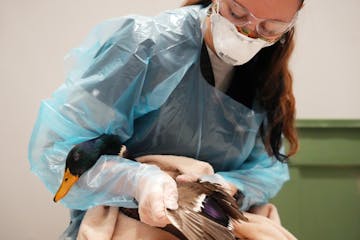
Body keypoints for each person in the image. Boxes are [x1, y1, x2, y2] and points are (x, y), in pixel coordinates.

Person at [29, 0, 303, 238]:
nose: (247, 33)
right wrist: (135, 181)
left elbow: (265, 173)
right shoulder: (143, 46)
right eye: (237, 12)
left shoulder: (266, 78)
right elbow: (58, 151)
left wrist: (230, 186)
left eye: (270, 28)